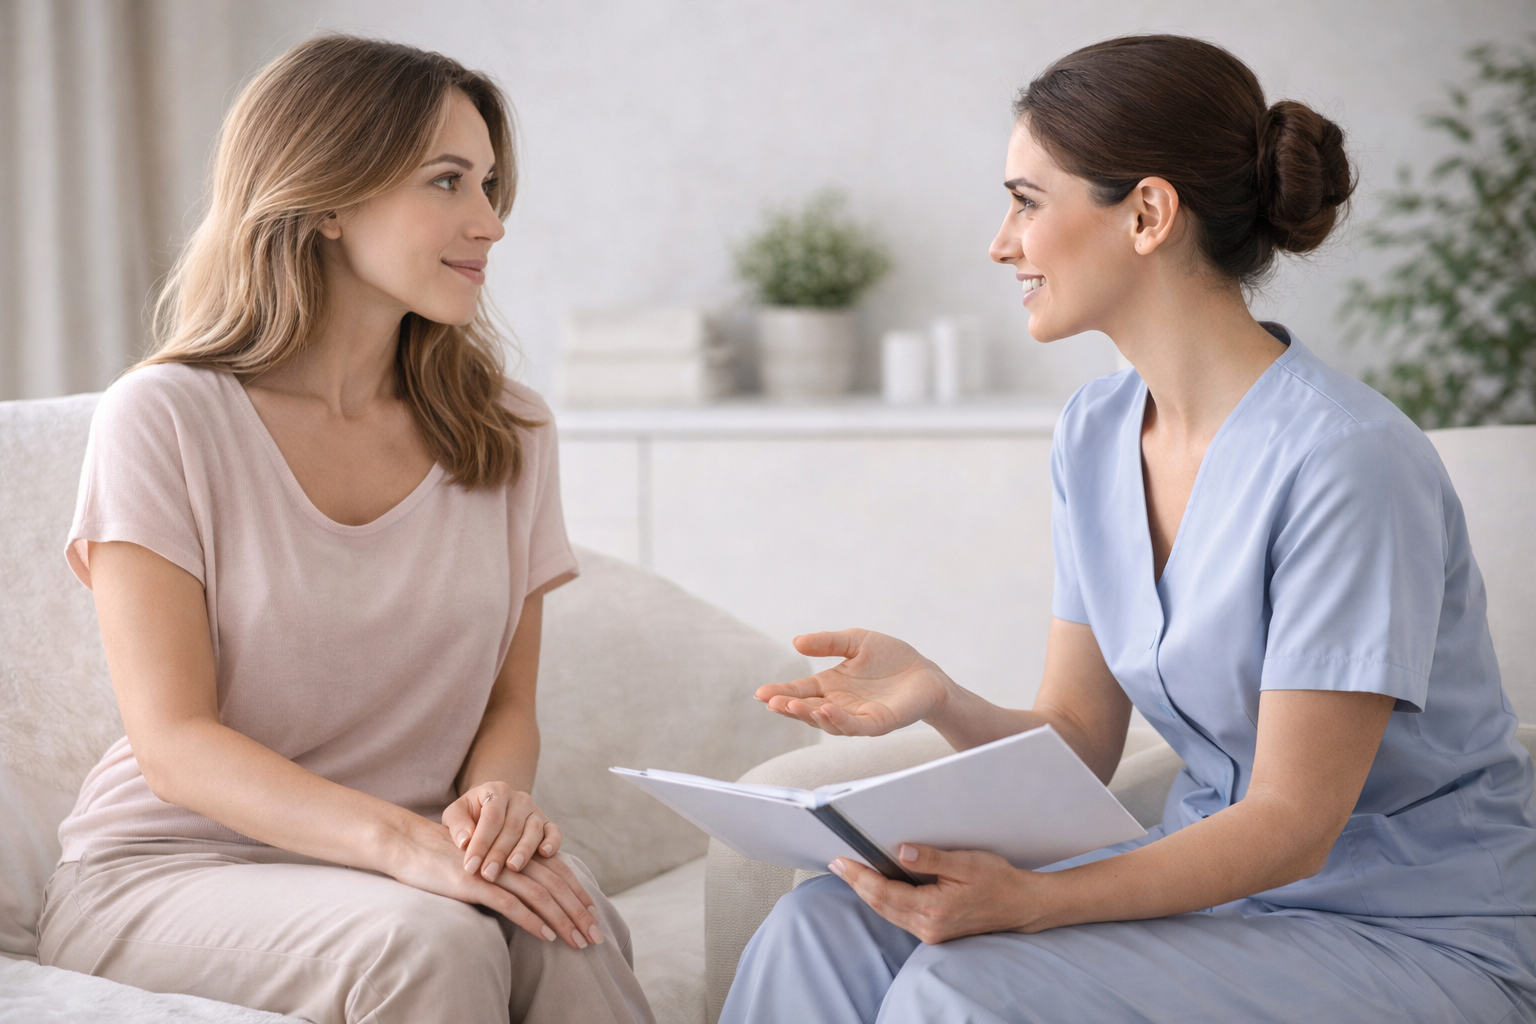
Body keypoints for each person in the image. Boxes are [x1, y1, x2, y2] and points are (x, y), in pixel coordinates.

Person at [722, 34, 1536, 1024]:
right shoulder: (1096, 434)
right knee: (819, 927)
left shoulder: (1348, 461)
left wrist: (1034, 902)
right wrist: (941, 695)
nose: (1000, 241)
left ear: (1147, 213)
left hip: (1401, 930)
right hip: (1214, 905)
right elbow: (1078, 738)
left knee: (969, 980)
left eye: (1027, 200)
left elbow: (1291, 825)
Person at [37, 36, 654, 1024]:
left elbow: (507, 706)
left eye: (490, 184)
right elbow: (175, 745)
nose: (490, 222)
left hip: (410, 862)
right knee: (434, 943)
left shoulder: (510, 429)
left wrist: (496, 808)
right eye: (447, 181)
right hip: (173, 869)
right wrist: (408, 848)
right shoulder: (165, 418)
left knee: (570, 925)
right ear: (325, 198)